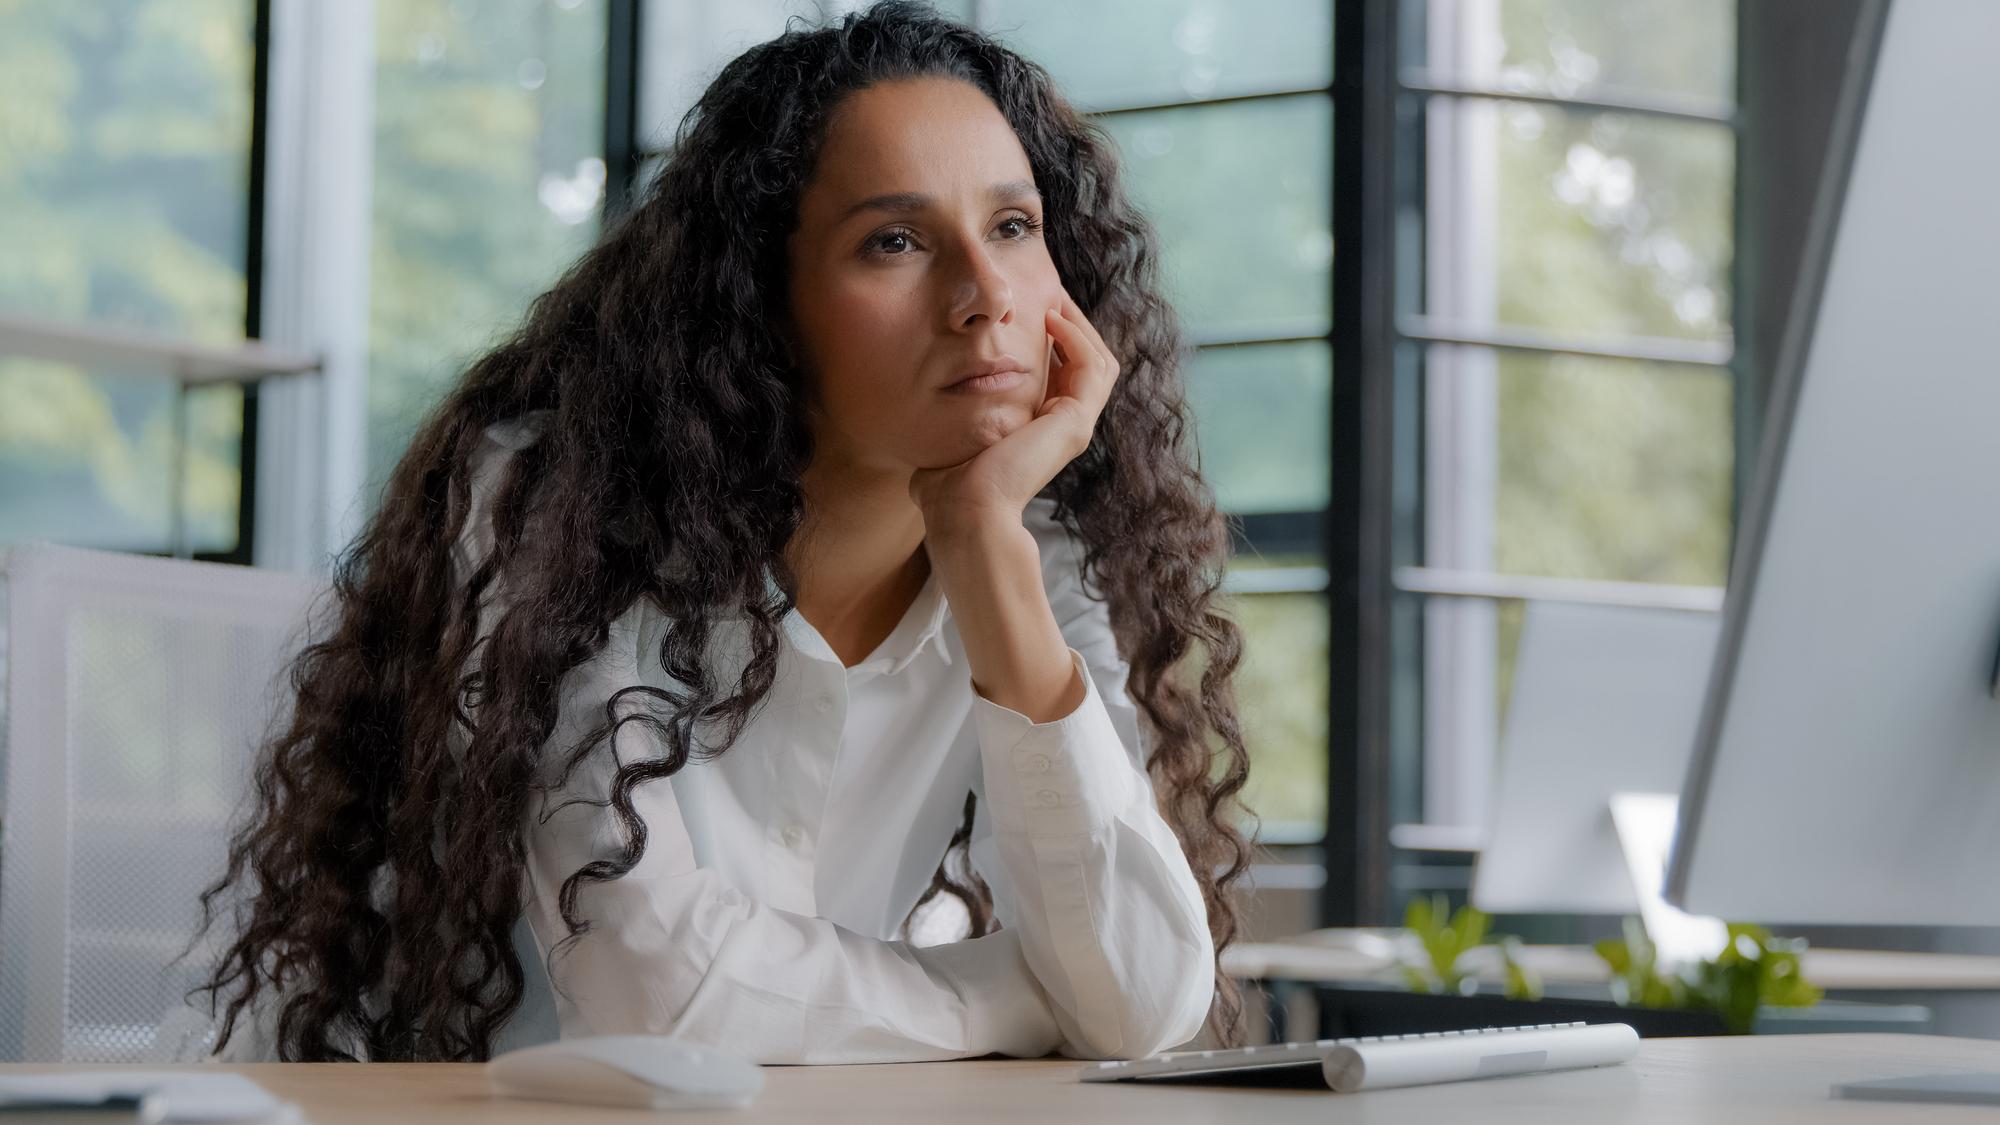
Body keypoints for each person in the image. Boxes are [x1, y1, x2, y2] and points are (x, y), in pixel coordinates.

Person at [193, 0, 1255, 1064]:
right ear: (761, 297)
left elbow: (1141, 1003)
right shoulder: (550, 506)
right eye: (893, 241)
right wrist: (1010, 1001)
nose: (984, 296)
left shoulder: (1038, 551)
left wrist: (980, 540)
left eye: (1013, 228)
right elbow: (650, 989)